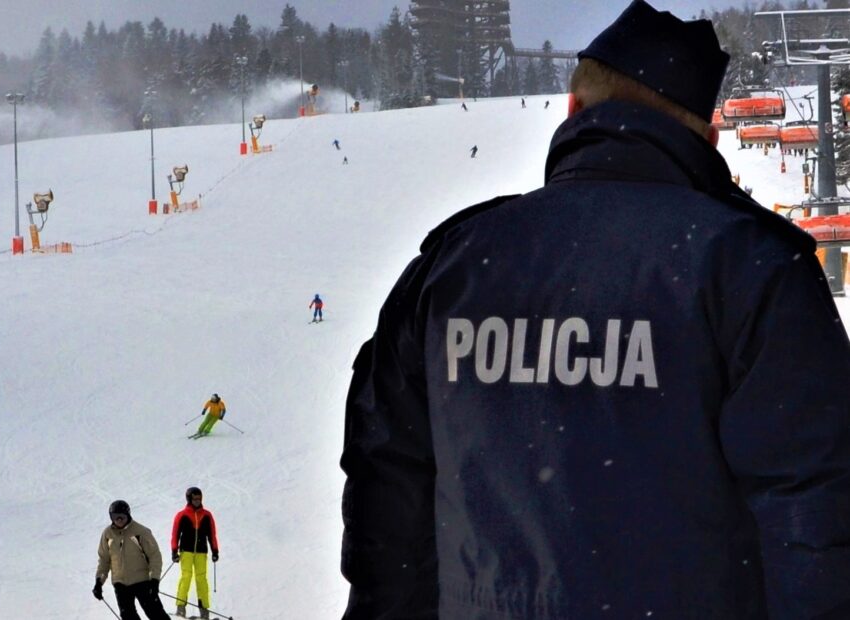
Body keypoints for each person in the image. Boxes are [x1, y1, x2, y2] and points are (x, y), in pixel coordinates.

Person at [339, 1, 850, 618]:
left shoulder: (453, 267)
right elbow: (818, 521)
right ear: (707, 140)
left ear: (575, 110)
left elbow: (385, 506)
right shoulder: (752, 269)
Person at [93, 500, 170, 620]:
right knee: (128, 616)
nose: (118, 519)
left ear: (128, 515)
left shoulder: (141, 532)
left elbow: (155, 556)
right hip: (121, 583)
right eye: (115, 516)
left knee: (155, 613)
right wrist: (99, 582)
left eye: (122, 516)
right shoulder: (108, 534)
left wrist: (154, 580)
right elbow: (104, 560)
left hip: (143, 582)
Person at [171, 486, 220, 618]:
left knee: (201, 579)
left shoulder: (207, 515)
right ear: (189, 499)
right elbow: (175, 534)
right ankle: (180, 608)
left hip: (201, 552)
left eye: (199, 498)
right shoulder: (182, 515)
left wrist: (215, 550)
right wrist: (174, 551)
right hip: (186, 551)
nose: (197, 501)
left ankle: (204, 610)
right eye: (195, 499)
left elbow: (212, 534)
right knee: (186, 577)